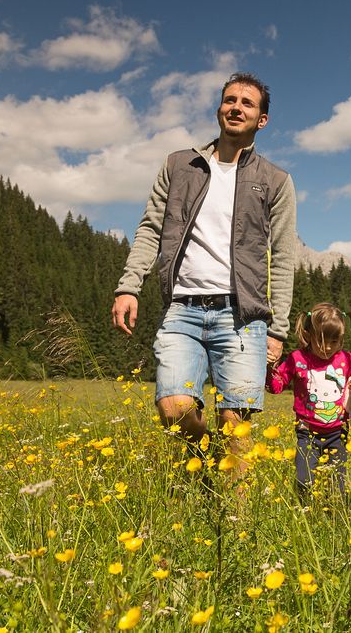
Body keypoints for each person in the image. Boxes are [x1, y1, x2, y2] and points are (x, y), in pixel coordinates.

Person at [111, 72, 296, 475]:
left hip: (243, 318)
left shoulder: (276, 181)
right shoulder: (180, 165)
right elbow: (150, 229)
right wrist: (129, 286)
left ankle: (237, 520)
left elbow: (283, 257)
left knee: (237, 428)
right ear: (218, 109)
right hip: (182, 310)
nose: (236, 107)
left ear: (261, 120)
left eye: (247, 104)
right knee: (174, 408)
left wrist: (278, 329)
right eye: (230, 100)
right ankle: (206, 457)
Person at [267, 303, 351, 495]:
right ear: (308, 335)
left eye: (334, 341)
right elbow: (277, 387)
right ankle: (305, 511)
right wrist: (269, 369)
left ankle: (334, 514)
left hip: (337, 434)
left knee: (338, 485)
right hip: (307, 435)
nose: (328, 347)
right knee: (304, 481)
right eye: (321, 340)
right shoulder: (297, 359)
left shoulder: (346, 359)